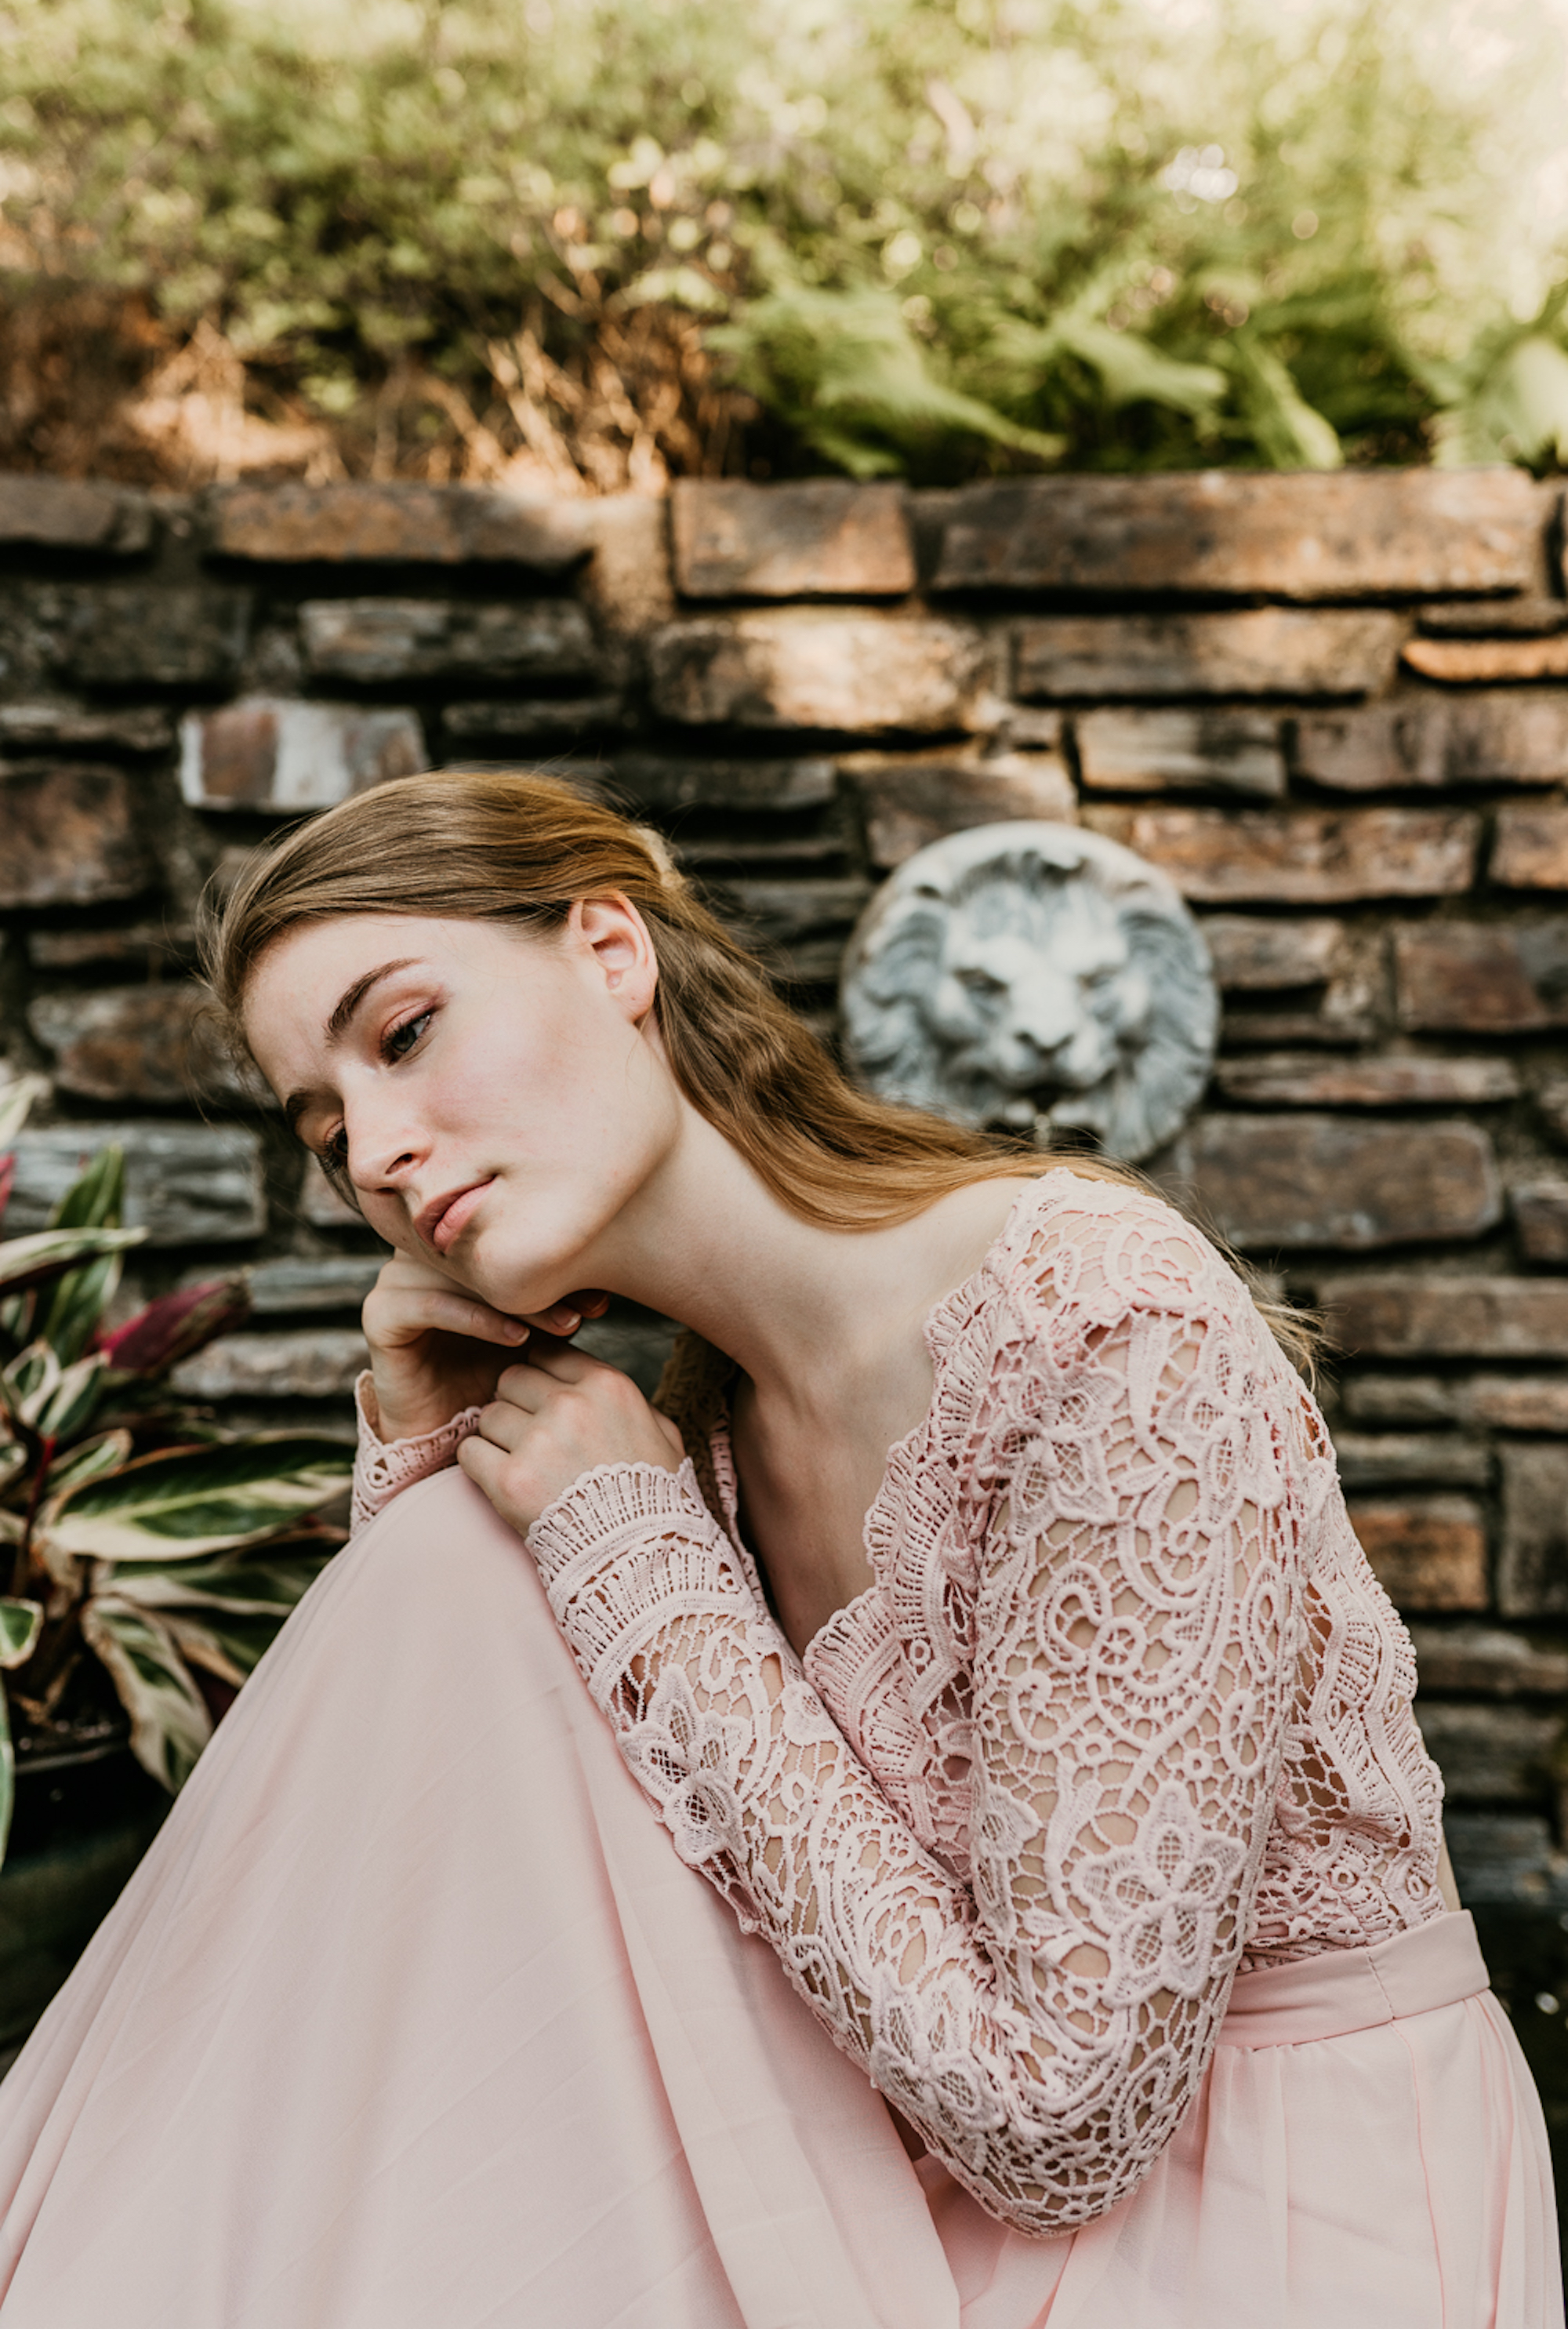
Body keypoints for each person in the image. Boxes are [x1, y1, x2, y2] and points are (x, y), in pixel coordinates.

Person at [0, 770, 1556, 2329]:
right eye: (330, 1130)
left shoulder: (1100, 1323)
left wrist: (631, 1549)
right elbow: (434, 1869)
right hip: (887, 2178)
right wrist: (433, 1460)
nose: (385, 1151)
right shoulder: (692, 1425)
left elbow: (1064, 2119)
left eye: (404, 1035)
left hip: (1275, 2217)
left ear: (612, 951)